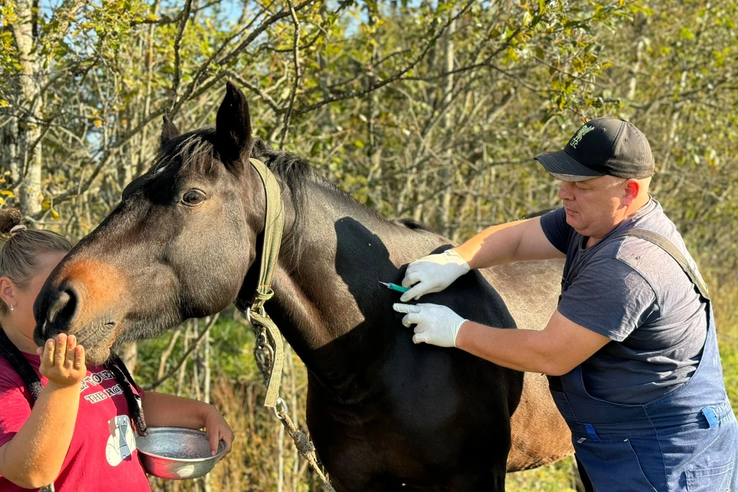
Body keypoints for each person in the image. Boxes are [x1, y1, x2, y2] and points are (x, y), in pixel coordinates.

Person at [393, 117, 738, 492]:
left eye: (581, 184)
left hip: (666, 458)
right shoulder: (594, 221)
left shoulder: (627, 266)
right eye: (564, 179)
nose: (563, 192)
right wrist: (455, 260)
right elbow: (519, 238)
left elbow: (550, 354)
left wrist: (456, 330)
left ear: (630, 190)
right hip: (618, 443)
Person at [0, 209, 234, 491]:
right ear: (8, 291)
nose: (70, 298)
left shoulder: (77, 341)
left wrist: (202, 413)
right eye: (53, 285)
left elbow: (126, 402)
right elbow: (29, 473)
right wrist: (61, 388)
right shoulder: (5, 374)